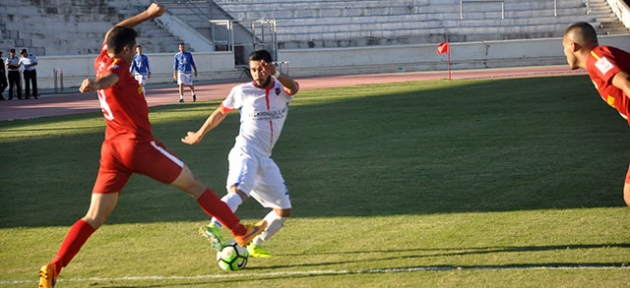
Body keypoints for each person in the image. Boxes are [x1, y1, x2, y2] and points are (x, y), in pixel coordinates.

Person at [38, 4, 267, 288]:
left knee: (94, 216)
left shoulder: (104, 54)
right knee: (194, 185)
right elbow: (111, 78)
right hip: (137, 146)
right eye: (134, 49)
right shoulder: (118, 66)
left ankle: (54, 266)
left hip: (111, 149)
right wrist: (95, 85)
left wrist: (147, 15)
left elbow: (115, 31)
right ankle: (239, 231)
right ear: (124, 51)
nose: (136, 51)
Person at [182, 49, 299, 258]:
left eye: (261, 69)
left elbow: (295, 87)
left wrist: (277, 74)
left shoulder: (280, 88)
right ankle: (213, 227)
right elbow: (220, 112)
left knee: (283, 210)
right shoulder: (242, 91)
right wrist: (199, 134)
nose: (257, 73)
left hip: (265, 158)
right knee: (239, 191)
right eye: (253, 70)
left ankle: (254, 242)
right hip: (245, 151)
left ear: (269, 68)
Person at [562, 22, 630, 207]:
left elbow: (625, 81)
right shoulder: (597, 60)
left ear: (573, 46)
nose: (565, 54)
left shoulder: (596, 58)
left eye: (564, 48)